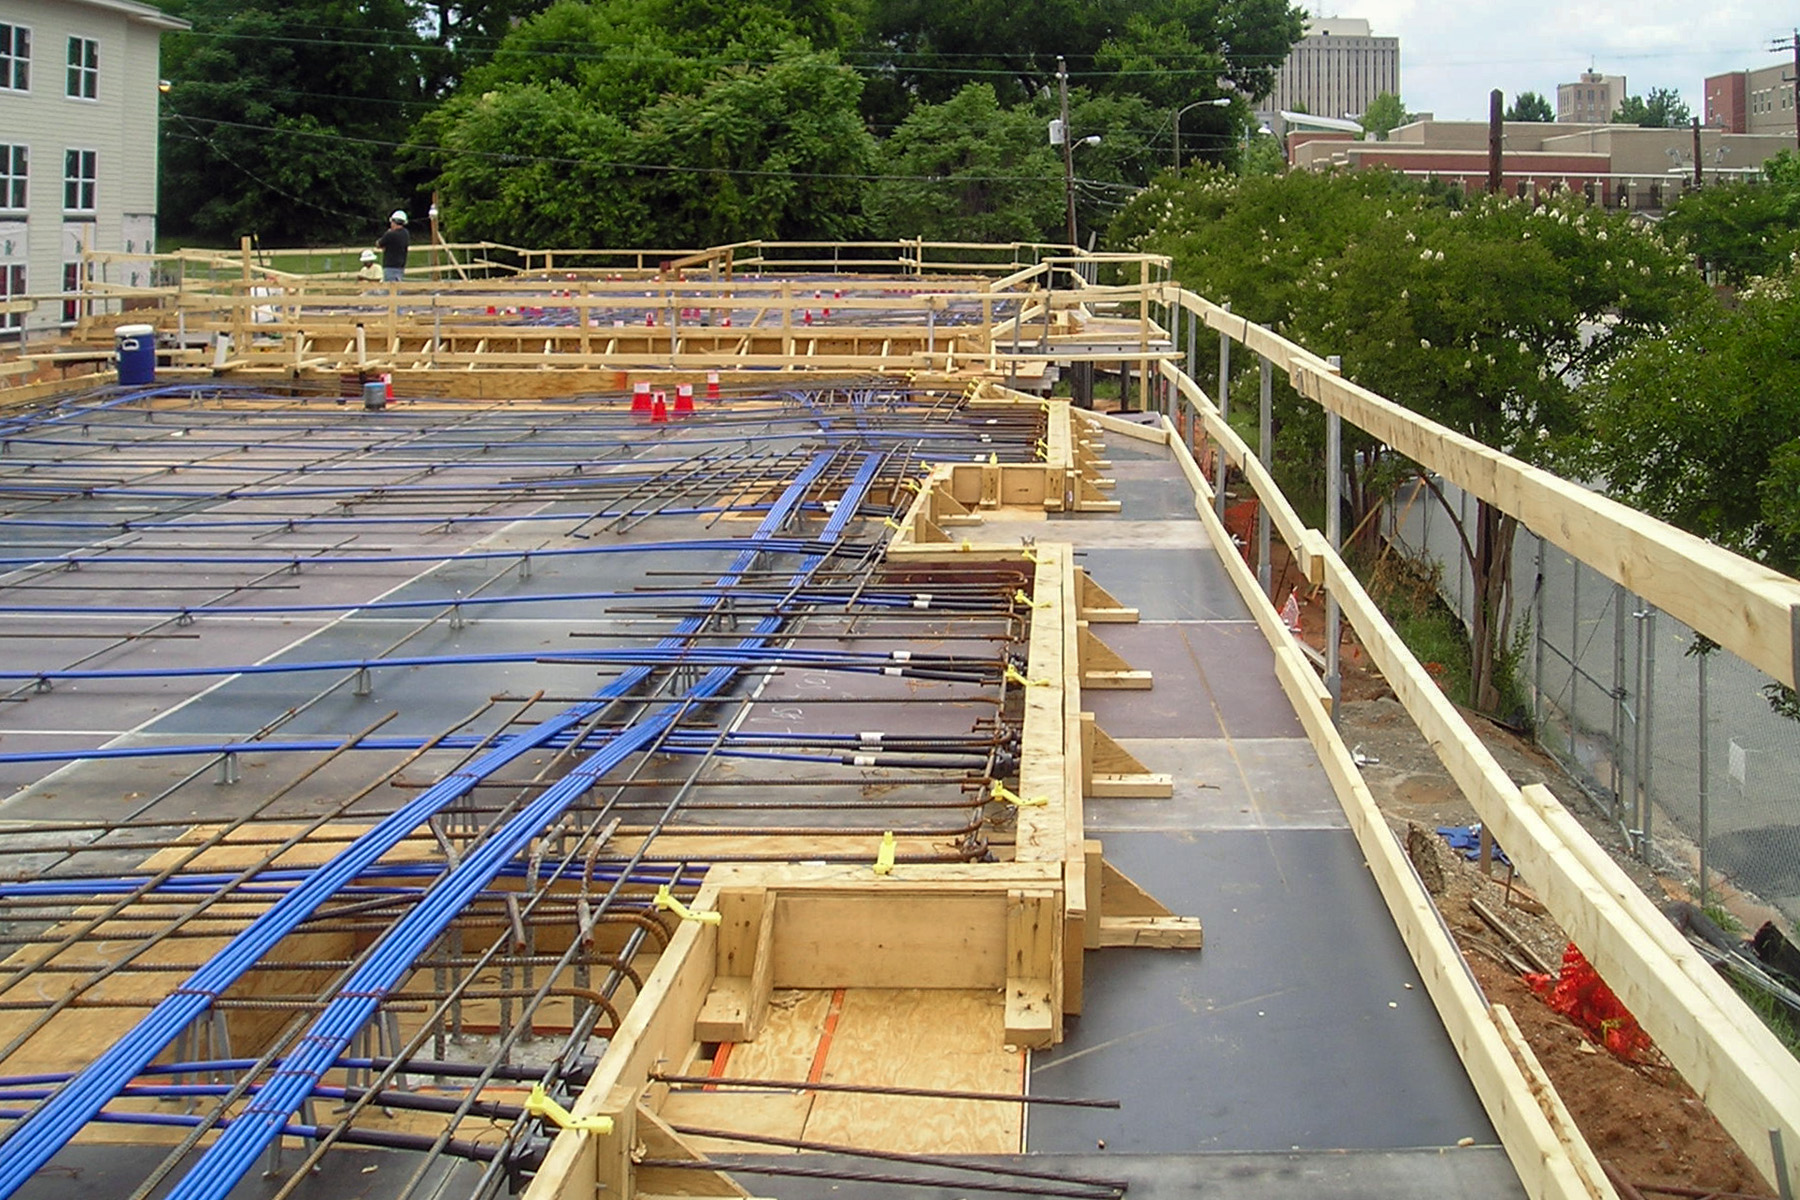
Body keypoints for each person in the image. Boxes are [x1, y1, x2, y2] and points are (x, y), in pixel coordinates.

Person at [376, 210, 410, 283]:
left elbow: (379, 244)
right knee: (398, 288)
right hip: (401, 265)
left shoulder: (390, 234)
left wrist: (387, 233)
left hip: (390, 266)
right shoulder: (406, 233)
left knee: (390, 289)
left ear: (394, 222)